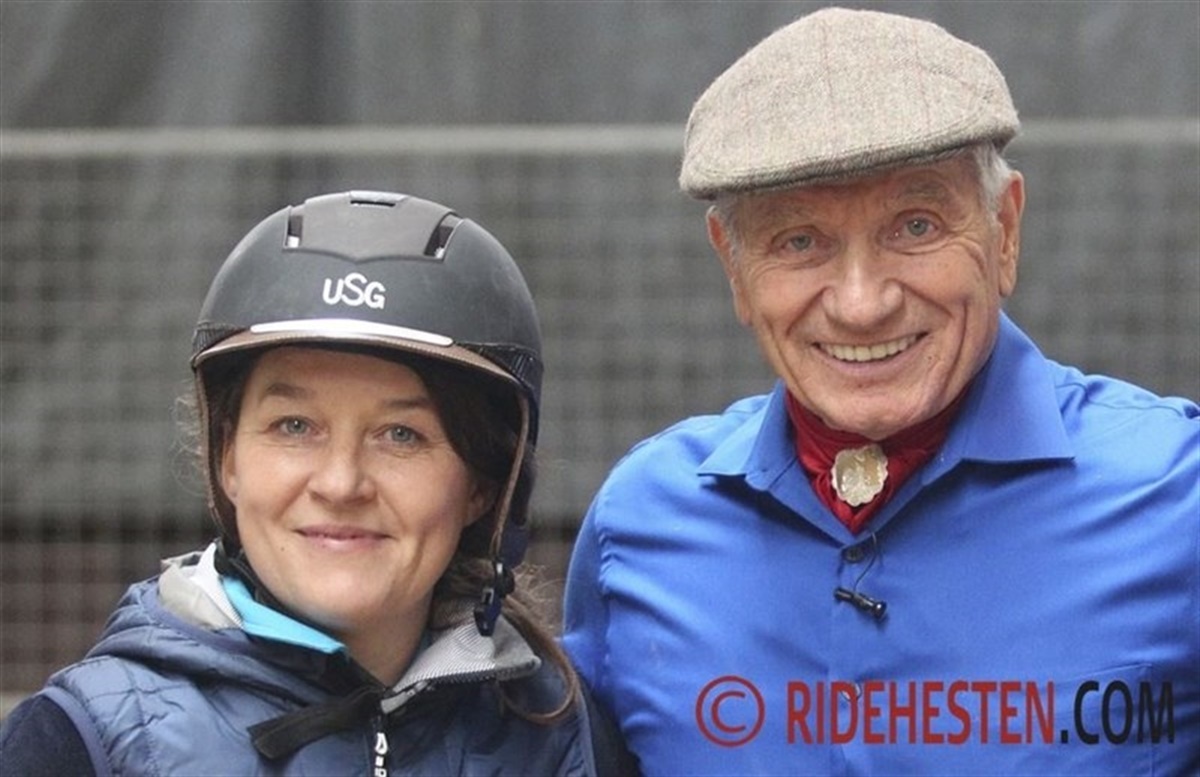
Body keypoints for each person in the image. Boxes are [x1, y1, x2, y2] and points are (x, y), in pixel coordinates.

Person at [562, 7, 1199, 775]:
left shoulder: (1178, 500)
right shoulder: (639, 529)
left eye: (916, 225)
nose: (862, 303)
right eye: (800, 241)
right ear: (733, 266)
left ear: (1004, 230)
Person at [0, 190, 633, 775]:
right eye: (295, 426)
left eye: (401, 435)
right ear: (228, 460)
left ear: (484, 487)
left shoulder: (567, 739)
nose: (340, 482)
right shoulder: (79, 745)